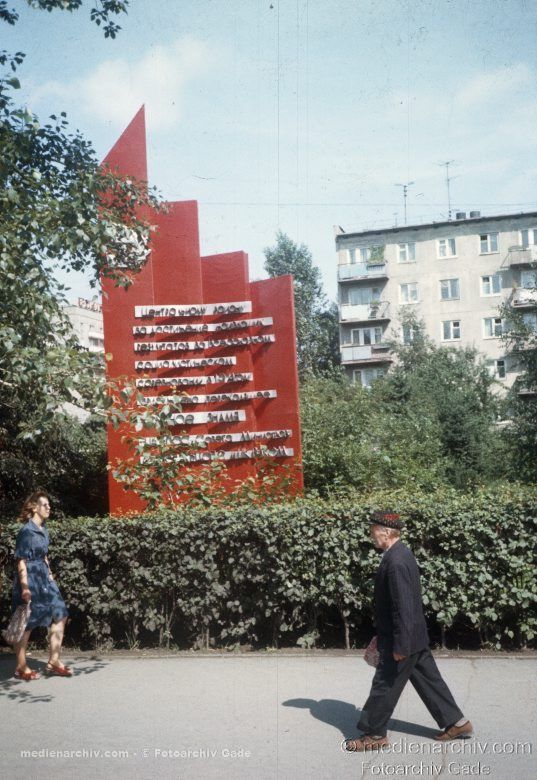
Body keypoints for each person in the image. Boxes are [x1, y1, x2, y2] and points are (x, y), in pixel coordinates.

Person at [344, 510, 472, 751]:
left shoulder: (396, 561)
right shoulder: (400, 554)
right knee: (428, 680)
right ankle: (457, 722)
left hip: (401, 639)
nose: (371, 533)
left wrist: (400, 645)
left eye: (373, 529)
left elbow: (403, 607)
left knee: (384, 684)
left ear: (386, 532)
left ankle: (374, 735)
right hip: (413, 636)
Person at [11, 491, 72, 680]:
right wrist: (25, 587)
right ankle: (21, 666)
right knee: (27, 623)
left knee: (61, 613)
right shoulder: (26, 531)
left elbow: (44, 556)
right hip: (31, 579)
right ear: (35, 507)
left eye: (49, 505)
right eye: (45, 505)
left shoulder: (44, 529)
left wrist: (51, 577)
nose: (49, 508)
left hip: (45, 578)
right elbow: (21, 560)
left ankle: (54, 660)